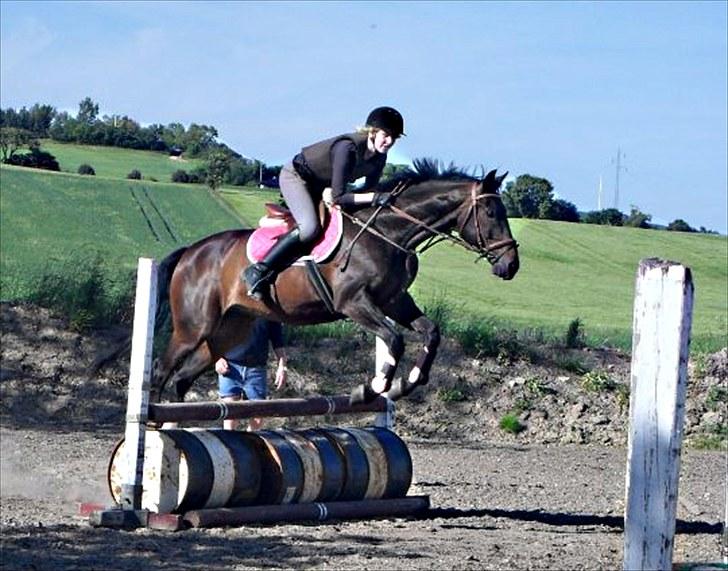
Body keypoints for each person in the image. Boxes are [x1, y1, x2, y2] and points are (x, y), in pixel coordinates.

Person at [243, 106, 406, 300]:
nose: (389, 142)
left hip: (321, 185)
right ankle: (259, 270)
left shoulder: (380, 157)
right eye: (386, 135)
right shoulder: (347, 148)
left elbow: (368, 191)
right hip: (297, 178)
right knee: (310, 228)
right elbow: (340, 198)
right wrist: (375, 198)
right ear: (372, 131)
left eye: (394, 138)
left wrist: (378, 199)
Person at [216, 318, 288, 431]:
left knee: (258, 416)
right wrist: (217, 359)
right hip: (231, 366)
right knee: (230, 415)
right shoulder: (233, 305)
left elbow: (277, 339)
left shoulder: (268, 310)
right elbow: (214, 333)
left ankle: (249, 443)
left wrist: (282, 366)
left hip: (256, 368)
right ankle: (231, 445)